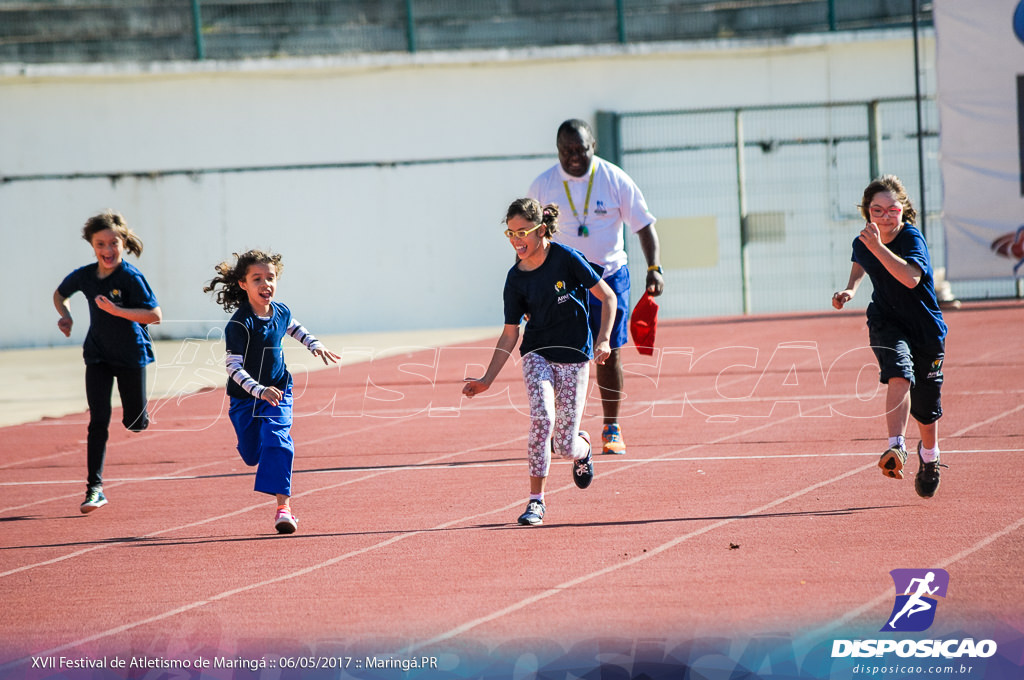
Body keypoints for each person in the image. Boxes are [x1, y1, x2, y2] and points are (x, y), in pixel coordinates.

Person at [463, 199, 616, 526]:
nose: (516, 240)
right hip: (537, 354)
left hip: (575, 357)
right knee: (542, 418)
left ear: (541, 230)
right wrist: (487, 379)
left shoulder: (567, 259)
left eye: (522, 232)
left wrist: (603, 339)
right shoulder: (515, 279)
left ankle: (583, 449)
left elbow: (608, 297)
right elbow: (509, 335)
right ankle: (536, 502)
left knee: (564, 444)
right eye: (509, 233)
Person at [528, 118, 663, 456]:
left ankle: (611, 427)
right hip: (563, 280)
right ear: (557, 150)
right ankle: (563, 429)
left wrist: (654, 267)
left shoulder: (614, 179)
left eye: (581, 149)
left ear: (593, 147)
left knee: (608, 353)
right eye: (566, 150)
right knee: (560, 355)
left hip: (609, 276)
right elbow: (527, 234)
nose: (574, 157)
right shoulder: (543, 184)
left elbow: (644, 226)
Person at [204, 250, 340, 534]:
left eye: (270, 278)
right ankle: (254, 448)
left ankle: (284, 509)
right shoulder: (240, 324)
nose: (266, 284)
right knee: (253, 453)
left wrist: (314, 344)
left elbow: (291, 325)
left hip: (278, 390)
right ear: (243, 284)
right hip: (245, 398)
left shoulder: (280, 310)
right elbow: (232, 368)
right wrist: (258, 389)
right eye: (257, 279)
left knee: (277, 439)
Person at [832, 175, 948, 498]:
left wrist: (879, 248)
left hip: (925, 328)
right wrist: (849, 289)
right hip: (887, 321)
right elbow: (860, 264)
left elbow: (911, 278)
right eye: (877, 210)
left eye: (891, 210)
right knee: (899, 371)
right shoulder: (864, 241)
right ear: (867, 212)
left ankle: (930, 457)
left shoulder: (912, 238)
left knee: (926, 407)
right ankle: (896, 448)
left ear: (903, 209)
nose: (885, 216)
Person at [53, 210, 162, 513]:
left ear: (123, 243)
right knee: (97, 420)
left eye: (113, 243)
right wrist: (66, 315)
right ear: (92, 245)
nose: (108, 250)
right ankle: (94, 488)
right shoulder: (85, 276)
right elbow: (60, 294)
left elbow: (155, 315)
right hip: (98, 355)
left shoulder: (131, 277)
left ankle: (140, 416)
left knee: (135, 423)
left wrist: (118, 311)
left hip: (130, 356)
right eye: (101, 244)